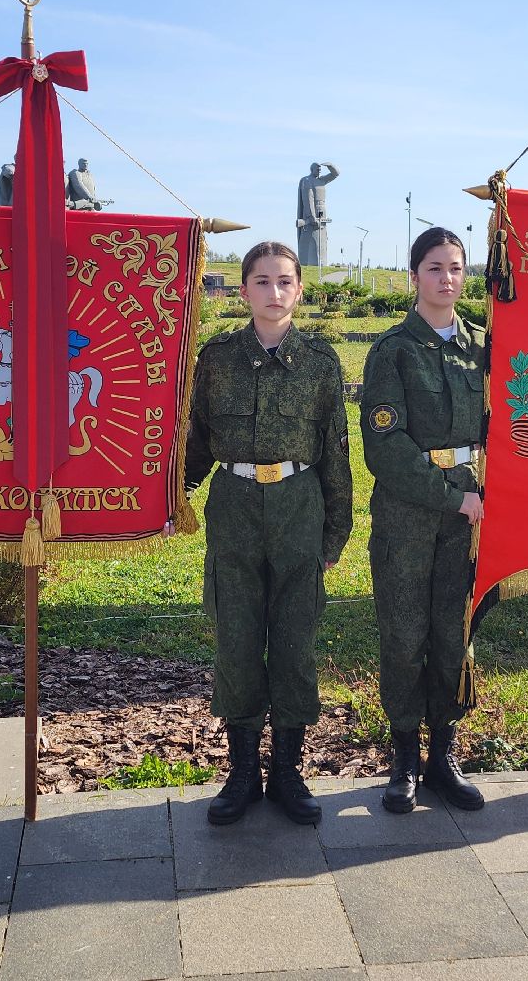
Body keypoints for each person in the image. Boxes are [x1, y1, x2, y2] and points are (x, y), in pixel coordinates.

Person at [184, 240, 352, 826]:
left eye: (285, 282)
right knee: (236, 637)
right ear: (243, 288)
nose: (273, 293)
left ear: (299, 289)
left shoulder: (321, 361)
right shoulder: (217, 357)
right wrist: (156, 493)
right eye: (261, 281)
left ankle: (287, 770)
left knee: (294, 640)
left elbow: (335, 450)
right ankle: (240, 773)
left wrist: (334, 532)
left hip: (297, 506)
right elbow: (196, 440)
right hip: (232, 506)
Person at [360, 226, 486, 814]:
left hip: (472, 510)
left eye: (456, 268)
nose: (447, 279)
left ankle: (444, 755)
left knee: (450, 635)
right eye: (435, 268)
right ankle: (404, 756)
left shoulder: (484, 347)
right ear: (415, 276)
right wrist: (451, 497)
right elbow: (385, 448)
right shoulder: (393, 350)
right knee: (405, 636)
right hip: (411, 514)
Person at [295, 162, 339, 269]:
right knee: (310, 238)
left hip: (322, 210)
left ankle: (321, 263)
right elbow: (308, 198)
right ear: (312, 169)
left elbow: (335, 174)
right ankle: (307, 262)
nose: (319, 171)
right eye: (317, 169)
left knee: (322, 238)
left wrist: (330, 166)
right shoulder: (307, 180)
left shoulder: (322, 180)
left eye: (320, 170)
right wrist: (311, 216)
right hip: (311, 213)